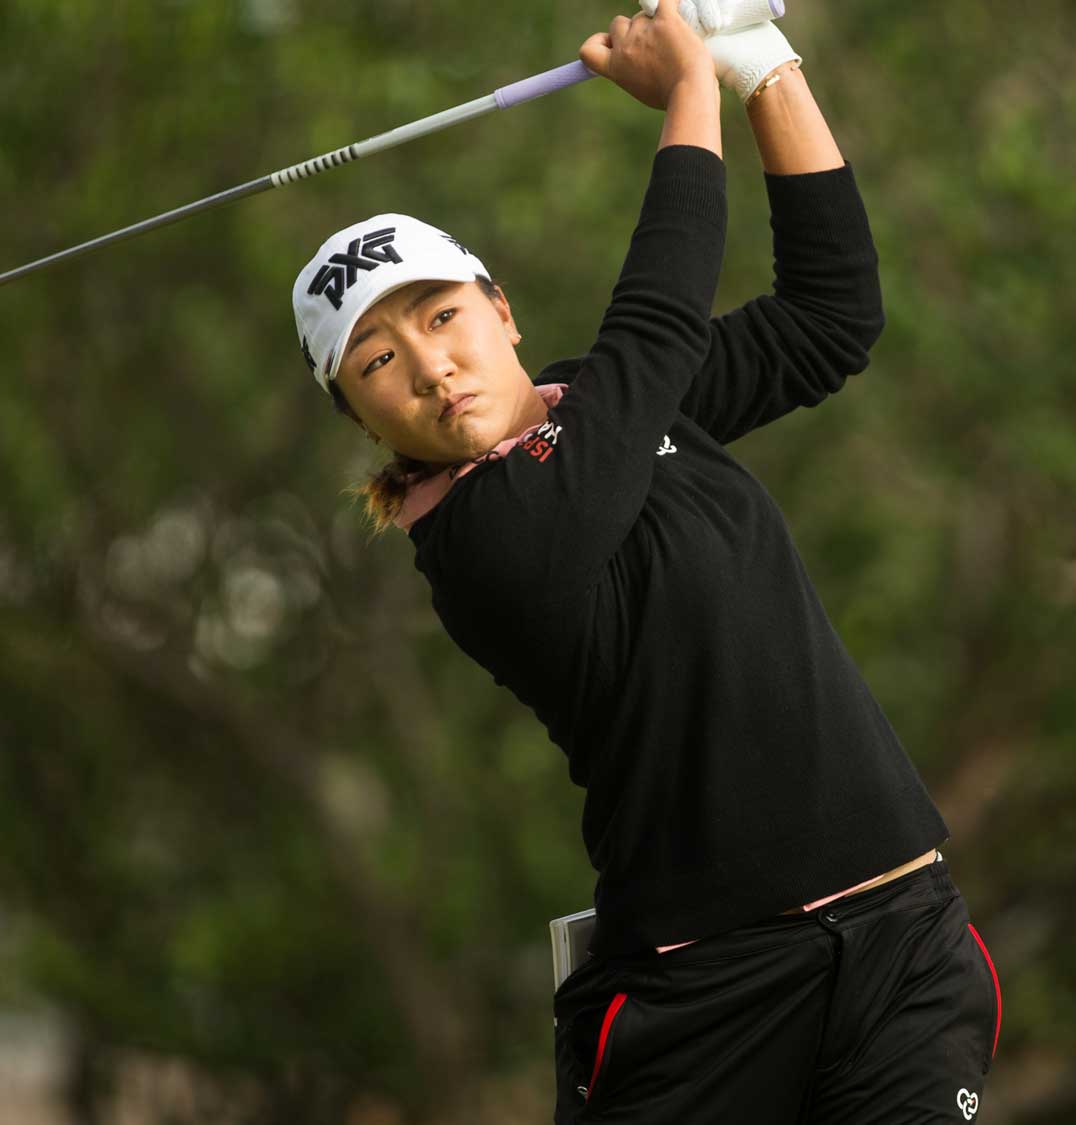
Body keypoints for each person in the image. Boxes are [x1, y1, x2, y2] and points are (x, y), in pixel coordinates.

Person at [289, 2, 999, 1120]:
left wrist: (760, 63)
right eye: (377, 359)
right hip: (705, 999)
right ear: (360, 417)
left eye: (440, 316)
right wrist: (685, 91)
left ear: (501, 311)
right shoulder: (476, 542)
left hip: (900, 948)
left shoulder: (605, 404)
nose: (429, 365)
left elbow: (828, 318)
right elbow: (657, 329)